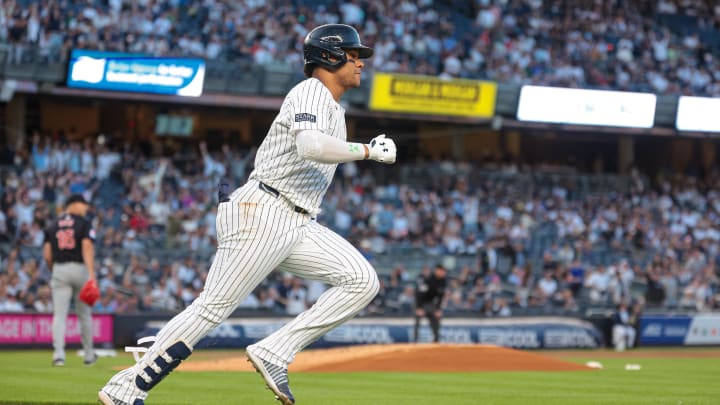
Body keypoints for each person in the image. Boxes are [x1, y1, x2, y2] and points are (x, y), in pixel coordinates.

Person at [98, 24, 396, 405]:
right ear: (330, 56)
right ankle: (124, 388)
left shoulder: (333, 106)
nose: (360, 63)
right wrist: (367, 151)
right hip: (265, 210)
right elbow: (309, 145)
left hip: (296, 218)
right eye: (354, 55)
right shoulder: (310, 91)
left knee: (361, 280)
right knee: (211, 310)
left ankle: (275, 351)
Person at [43, 194, 97, 366]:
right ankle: (89, 355)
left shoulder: (52, 225)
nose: (85, 208)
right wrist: (91, 275)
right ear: (73, 204)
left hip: (59, 268)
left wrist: (55, 270)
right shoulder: (84, 223)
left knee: (59, 316)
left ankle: (59, 355)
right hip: (80, 269)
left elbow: (47, 254)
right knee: (85, 315)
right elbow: (87, 246)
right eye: (83, 204)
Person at [413, 264, 448, 343]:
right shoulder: (428, 279)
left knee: (436, 319)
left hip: (431, 303)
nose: (444, 273)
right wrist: (419, 308)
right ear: (437, 270)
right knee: (418, 319)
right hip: (421, 302)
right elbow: (419, 294)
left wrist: (438, 309)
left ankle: (436, 339)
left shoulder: (443, 281)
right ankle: (415, 340)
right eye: (442, 271)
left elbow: (440, 297)